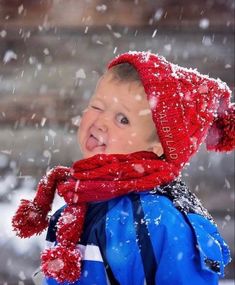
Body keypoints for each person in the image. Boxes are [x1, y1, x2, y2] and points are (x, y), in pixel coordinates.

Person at [12, 51, 234, 285]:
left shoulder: (160, 221)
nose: (102, 122)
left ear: (158, 145)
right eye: (98, 106)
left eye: (123, 119)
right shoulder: (75, 208)